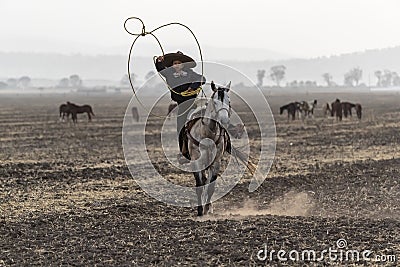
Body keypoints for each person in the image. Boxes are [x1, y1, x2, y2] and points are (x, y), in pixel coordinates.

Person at [155, 51, 206, 163]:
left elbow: (202, 79)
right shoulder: (169, 75)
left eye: (179, 63)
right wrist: (158, 62)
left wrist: (193, 87)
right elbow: (160, 69)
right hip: (182, 105)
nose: (176, 65)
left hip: (193, 103)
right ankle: (183, 153)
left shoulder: (190, 73)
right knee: (180, 127)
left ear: (183, 65)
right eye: (174, 63)